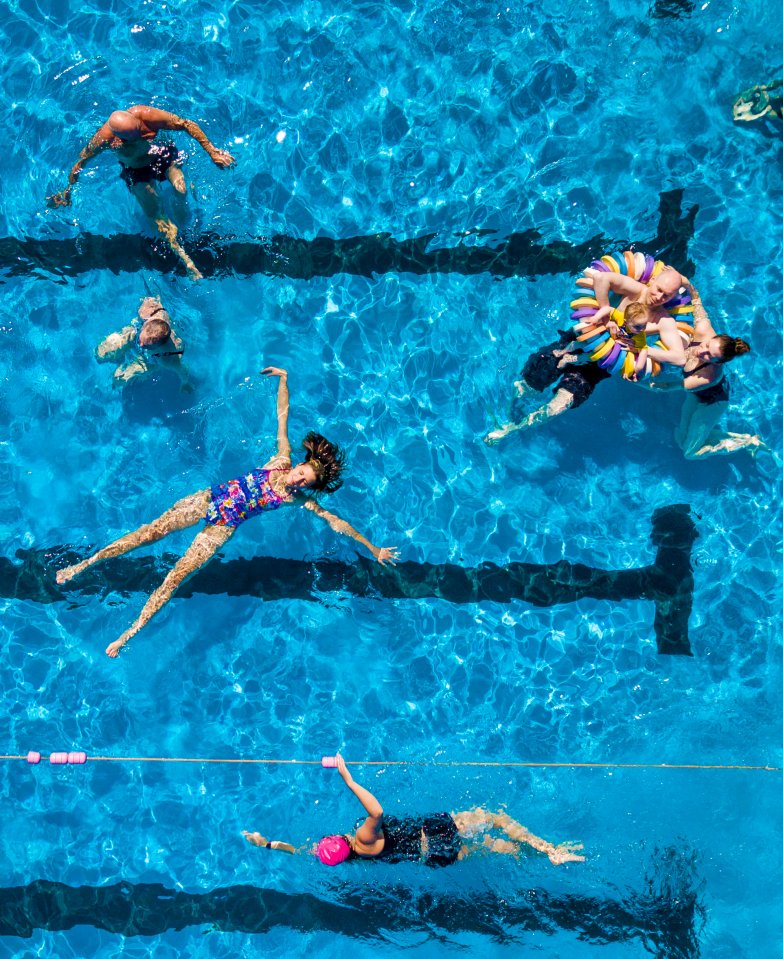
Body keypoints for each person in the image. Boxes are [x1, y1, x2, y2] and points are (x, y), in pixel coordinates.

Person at [55, 368, 399, 657]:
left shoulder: (299, 501)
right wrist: (283, 379)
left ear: (309, 486)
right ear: (300, 464)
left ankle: (127, 634)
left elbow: (337, 523)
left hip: (222, 526)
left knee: (175, 577)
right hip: (207, 499)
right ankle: (84, 565)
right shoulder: (280, 460)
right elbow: (284, 417)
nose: (297, 477)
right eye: (301, 470)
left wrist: (373, 549)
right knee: (146, 535)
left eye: (304, 480)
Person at [243, 754, 585, 867]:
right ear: (338, 839)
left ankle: (538, 857)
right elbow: (377, 813)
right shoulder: (362, 837)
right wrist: (347, 778)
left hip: (433, 856)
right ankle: (549, 850)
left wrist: (268, 844)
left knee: (496, 849)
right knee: (492, 817)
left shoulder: (354, 858)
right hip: (430, 831)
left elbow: (298, 851)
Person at [47, 104, 236, 280]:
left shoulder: (146, 116)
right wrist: (67, 191)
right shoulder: (103, 140)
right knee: (156, 215)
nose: (147, 134)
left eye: (141, 129)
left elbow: (186, 123)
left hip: (161, 154)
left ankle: (186, 221)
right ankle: (185, 258)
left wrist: (212, 151)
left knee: (181, 188)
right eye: (138, 135)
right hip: (136, 170)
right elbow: (80, 163)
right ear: (118, 140)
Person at [639, 280, 761, 458]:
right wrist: (684, 282)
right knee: (681, 439)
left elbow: (665, 387)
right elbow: (696, 302)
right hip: (697, 394)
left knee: (690, 453)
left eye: (709, 356)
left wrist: (637, 382)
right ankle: (737, 438)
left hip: (712, 403)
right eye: (707, 345)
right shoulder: (704, 329)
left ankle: (746, 443)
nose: (701, 351)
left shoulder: (707, 376)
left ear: (718, 363)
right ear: (711, 337)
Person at [484, 331, 609, 443]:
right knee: (528, 384)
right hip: (571, 345)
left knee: (557, 406)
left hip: (591, 371)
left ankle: (510, 428)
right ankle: (503, 410)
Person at [96, 295, 188, 387]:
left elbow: (182, 370)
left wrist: (185, 383)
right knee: (104, 351)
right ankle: (117, 351)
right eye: (141, 340)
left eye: (146, 346)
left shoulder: (167, 358)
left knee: (121, 378)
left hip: (150, 360)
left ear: (159, 346)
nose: (141, 345)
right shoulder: (148, 313)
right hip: (135, 335)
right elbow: (152, 298)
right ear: (145, 325)